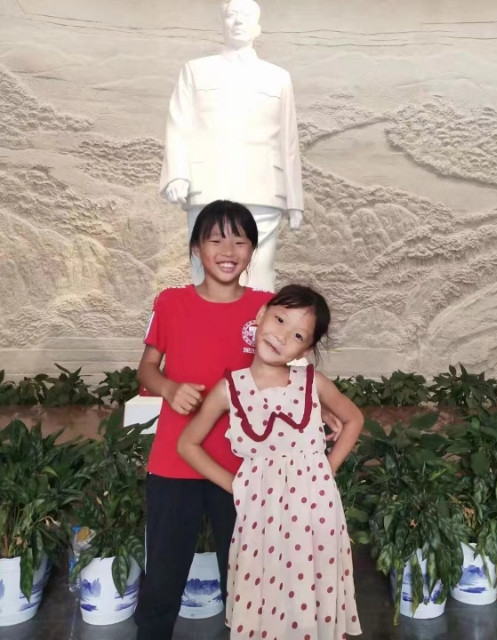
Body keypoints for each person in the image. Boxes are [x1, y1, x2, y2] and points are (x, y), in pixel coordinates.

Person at [178, 284, 363, 640]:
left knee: (312, 592)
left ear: (305, 350)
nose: (282, 336)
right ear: (261, 314)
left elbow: (354, 419)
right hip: (260, 518)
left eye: (297, 335)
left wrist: (327, 470)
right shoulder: (229, 389)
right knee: (264, 596)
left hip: (316, 515)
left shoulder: (313, 383)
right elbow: (188, 444)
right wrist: (235, 485)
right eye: (279, 320)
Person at [134, 199, 272, 640]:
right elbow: (146, 368)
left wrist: (322, 407)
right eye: (216, 240)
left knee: (247, 582)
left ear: (252, 250)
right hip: (175, 463)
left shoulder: (268, 308)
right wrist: (169, 387)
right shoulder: (171, 302)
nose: (228, 251)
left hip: (244, 466)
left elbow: (291, 372)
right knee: (163, 579)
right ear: (196, 248)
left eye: (240, 241)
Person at [160, 0, 304, 291]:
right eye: (232, 15)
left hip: (262, 189)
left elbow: (288, 141)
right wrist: (177, 175)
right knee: (206, 270)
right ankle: (207, 323)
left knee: (259, 274)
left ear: (257, 27)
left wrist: (295, 201)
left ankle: (257, 323)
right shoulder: (196, 71)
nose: (238, 21)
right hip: (207, 185)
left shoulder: (278, 78)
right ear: (222, 23)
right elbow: (179, 125)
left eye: (245, 15)